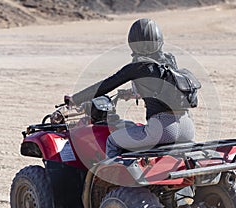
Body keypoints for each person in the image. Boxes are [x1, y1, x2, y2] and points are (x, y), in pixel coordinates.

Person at [69, 18, 195, 158]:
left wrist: (75, 99)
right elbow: (163, 87)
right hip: (186, 127)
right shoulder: (169, 60)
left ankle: (110, 179)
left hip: (161, 130)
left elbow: (104, 86)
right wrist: (132, 93)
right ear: (159, 40)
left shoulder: (137, 67)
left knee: (112, 140)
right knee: (132, 130)